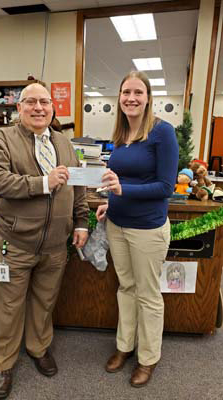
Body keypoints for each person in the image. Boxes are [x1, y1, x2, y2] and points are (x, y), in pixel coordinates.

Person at [0, 83, 89, 399]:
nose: (39, 107)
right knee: (8, 305)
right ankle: (2, 363)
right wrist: (43, 182)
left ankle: (38, 347)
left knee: (45, 301)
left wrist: (81, 221)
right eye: (31, 102)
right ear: (19, 107)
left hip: (55, 245)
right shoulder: (1, 139)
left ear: (53, 108)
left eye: (45, 101)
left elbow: (78, 186)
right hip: (14, 243)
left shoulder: (64, 142)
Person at [96, 71, 179, 387]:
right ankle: (124, 346)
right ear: (119, 97)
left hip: (147, 229)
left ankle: (148, 358)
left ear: (147, 97)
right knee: (125, 288)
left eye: (137, 92)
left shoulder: (162, 132)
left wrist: (122, 191)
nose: (131, 98)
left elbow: (165, 186)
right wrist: (110, 202)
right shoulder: (120, 135)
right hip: (117, 224)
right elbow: (119, 180)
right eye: (125, 92)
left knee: (147, 295)